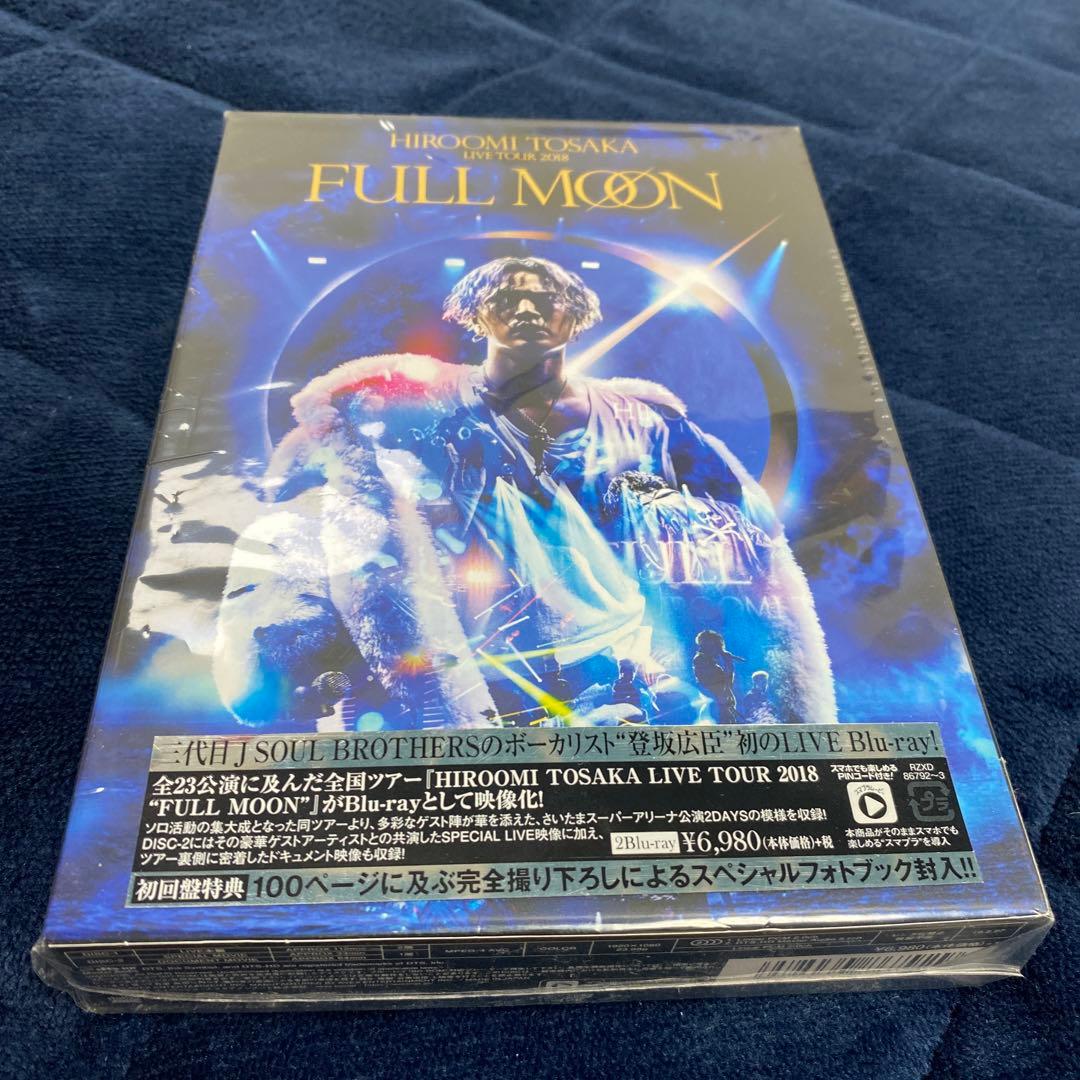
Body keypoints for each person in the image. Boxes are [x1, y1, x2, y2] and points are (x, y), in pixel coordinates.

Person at [214, 257, 836, 728]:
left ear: (575, 313)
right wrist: (286, 644)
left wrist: (787, 708)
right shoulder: (406, 403)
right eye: (508, 298)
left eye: (546, 299)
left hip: (620, 656)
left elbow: (752, 547)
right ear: (476, 311)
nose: (528, 309)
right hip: (469, 667)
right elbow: (314, 502)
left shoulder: (645, 422)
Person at [693, 630, 744, 723]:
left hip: (724, 702)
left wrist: (728, 663)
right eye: (714, 646)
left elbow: (728, 682)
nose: (717, 648)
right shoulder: (700, 660)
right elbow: (707, 682)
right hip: (715, 705)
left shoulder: (719, 658)